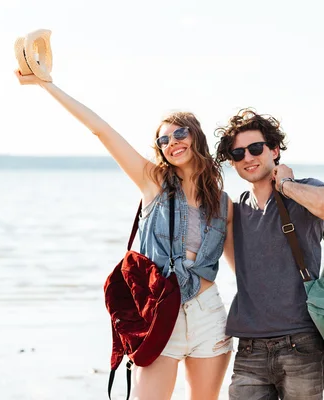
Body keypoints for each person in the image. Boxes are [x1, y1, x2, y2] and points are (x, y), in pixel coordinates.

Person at [15, 70, 234, 400]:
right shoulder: (154, 182)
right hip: (162, 312)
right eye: (163, 139)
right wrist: (48, 85)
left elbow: (241, 269)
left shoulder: (223, 202)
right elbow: (101, 131)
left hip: (209, 315)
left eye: (179, 133)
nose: (172, 142)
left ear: (195, 136)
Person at [215, 109, 324, 400]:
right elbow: (241, 268)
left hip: (301, 343)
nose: (247, 157)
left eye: (255, 148)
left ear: (274, 150)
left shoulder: (301, 190)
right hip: (249, 348)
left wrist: (285, 185)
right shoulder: (237, 210)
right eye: (237, 153)